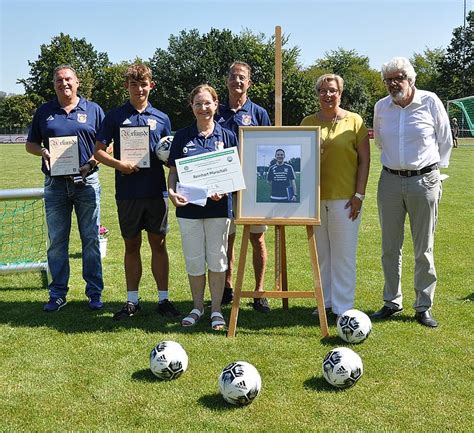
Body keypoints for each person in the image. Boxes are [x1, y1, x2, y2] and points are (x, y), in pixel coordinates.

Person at [371, 57, 453, 328]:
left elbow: (444, 140)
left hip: (425, 182)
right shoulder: (381, 107)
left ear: (410, 79)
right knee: (389, 247)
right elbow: (381, 143)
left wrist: (433, 174)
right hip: (390, 181)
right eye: (389, 79)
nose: (394, 83)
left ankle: (423, 305)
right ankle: (391, 301)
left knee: (423, 248)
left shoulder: (430, 101)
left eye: (399, 78)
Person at [94, 64, 180, 320]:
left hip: (156, 192)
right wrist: (120, 164)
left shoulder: (162, 118)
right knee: (131, 245)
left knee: (159, 244)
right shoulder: (115, 116)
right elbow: (99, 150)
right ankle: (132, 301)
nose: (139, 89)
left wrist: (168, 161)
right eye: (134, 85)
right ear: (127, 87)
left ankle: (163, 299)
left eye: (144, 84)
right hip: (128, 192)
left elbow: (169, 152)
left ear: (151, 85)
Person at [26, 65, 104, 312]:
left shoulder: (93, 110)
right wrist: (43, 151)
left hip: (87, 182)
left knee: (90, 239)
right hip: (55, 185)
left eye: (68, 79)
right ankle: (58, 294)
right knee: (57, 241)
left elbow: (106, 146)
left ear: (78, 82)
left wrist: (92, 162)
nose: (64, 83)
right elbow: (30, 144)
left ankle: (94, 293)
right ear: (54, 85)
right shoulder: (45, 111)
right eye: (59, 80)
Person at [168, 84, 237, 330]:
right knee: (194, 259)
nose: (203, 108)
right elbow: (174, 172)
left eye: (207, 103)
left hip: (219, 209)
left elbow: (234, 173)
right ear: (192, 107)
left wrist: (225, 189)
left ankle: (216, 310)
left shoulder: (227, 135)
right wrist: (171, 192)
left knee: (217, 260)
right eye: (198, 104)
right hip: (189, 209)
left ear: (216, 104)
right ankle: (197, 307)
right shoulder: (182, 136)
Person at [300, 73, 370, 318]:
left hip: (345, 199)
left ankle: (343, 308)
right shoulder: (308, 122)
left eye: (333, 90)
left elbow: (364, 161)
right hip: (316, 199)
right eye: (323, 90)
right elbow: (300, 160)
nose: (328, 95)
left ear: (340, 94)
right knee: (322, 255)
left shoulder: (355, 121)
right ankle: (325, 303)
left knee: (343, 255)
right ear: (318, 94)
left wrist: (359, 195)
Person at [215, 61, 272, 313]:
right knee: (226, 239)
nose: (237, 81)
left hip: (251, 188)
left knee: (257, 238)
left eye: (242, 78)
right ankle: (227, 288)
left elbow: (269, 148)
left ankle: (259, 292)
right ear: (227, 81)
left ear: (249, 83)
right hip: (224, 186)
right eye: (233, 77)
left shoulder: (258, 113)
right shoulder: (216, 112)